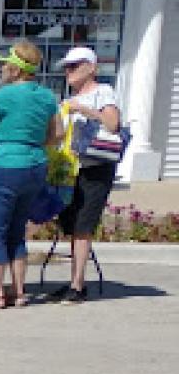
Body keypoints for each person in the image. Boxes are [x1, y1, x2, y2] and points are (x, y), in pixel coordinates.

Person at [0, 40, 64, 309]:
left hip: (5, 164)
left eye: (5, 64)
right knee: (17, 231)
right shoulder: (46, 96)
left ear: (16, 70)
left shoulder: (5, 95)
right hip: (35, 164)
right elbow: (58, 135)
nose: (2, 68)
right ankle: (19, 292)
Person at [53, 46, 120, 305]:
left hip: (96, 166)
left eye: (75, 65)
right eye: (67, 67)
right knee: (71, 223)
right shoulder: (70, 97)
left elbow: (113, 123)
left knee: (83, 225)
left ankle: (78, 285)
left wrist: (84, 110)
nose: (69, 72)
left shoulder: (103, 92)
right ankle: (73, 280)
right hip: (72, 168)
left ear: (91, 67)